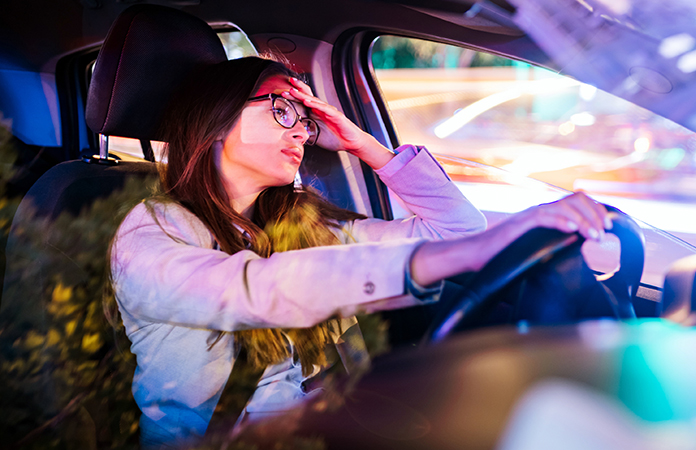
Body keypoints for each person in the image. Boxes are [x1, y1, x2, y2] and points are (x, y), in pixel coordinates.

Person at [109, 56, 611, 449]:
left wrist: (363, 144)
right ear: (214, 120)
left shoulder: (304, 220)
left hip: (332, 424)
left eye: (306, 121)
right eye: (282, 110)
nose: (301, 132)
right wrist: (477, 251)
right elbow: (255, 289)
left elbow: (454, 228)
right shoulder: (152, 230)